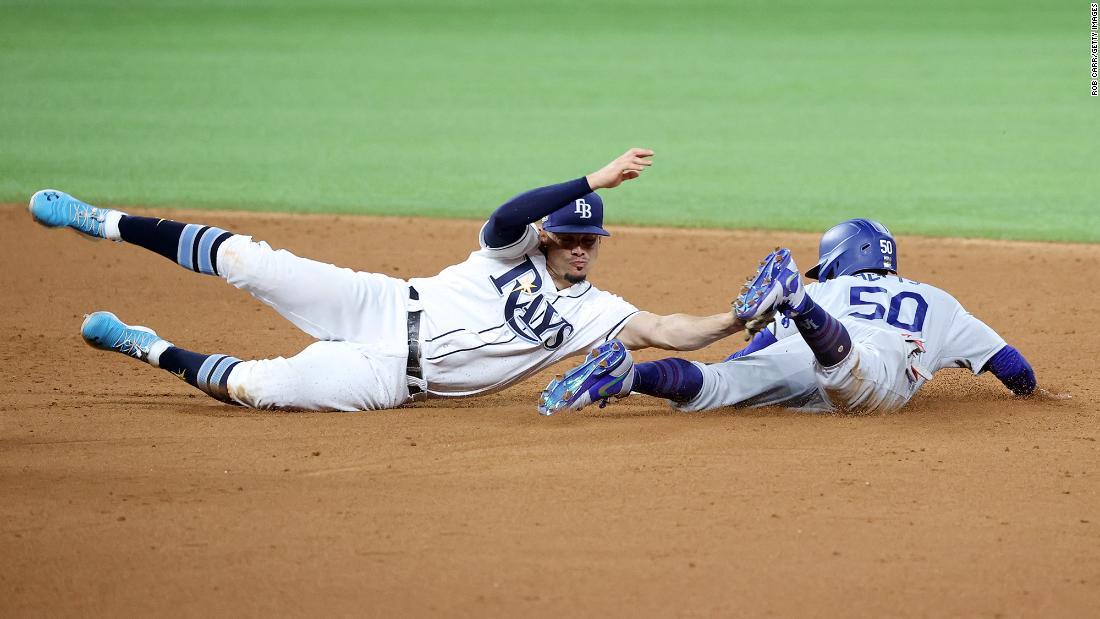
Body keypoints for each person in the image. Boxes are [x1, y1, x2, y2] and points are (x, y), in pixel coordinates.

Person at [30, 148, 758, 412]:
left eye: (588, 239)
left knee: (261, 387)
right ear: (550, 232)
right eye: (568, 233)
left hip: (388, 379)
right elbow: (509, 212)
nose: (577, 247)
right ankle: (103, 221)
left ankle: (145, 347)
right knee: (249, 260)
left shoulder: (599, 310)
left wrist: (732, 320)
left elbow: (667, 331)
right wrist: (593, 178)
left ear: (598, 246)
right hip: (378, 298)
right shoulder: (513, 246)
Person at [540, 218, 1059, 415]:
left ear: (835, 266)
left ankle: (629, 376)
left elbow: (752, 353)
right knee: (851, 381)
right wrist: (1032, 397)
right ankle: (796, 303)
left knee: (719, 385)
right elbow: (1011, 363)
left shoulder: (831, 287)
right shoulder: (939, 301)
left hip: (800, 345)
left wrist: (737, 370)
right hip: (867, 359)